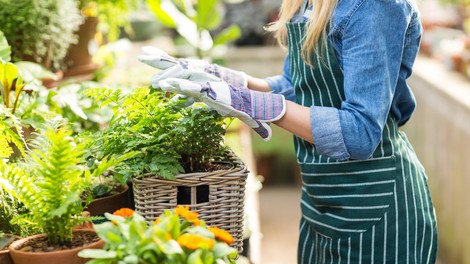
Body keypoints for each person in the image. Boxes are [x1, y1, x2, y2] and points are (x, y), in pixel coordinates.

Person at [138, 0, 438, 262]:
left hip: (378, 206)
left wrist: (258, 106)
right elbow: (300, 86)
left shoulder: (373, 6)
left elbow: (360, 133)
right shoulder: (307, 3)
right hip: (320, 200)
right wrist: (228, 80)